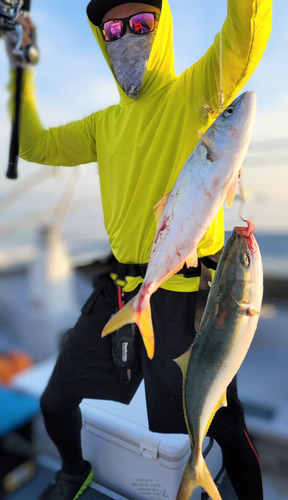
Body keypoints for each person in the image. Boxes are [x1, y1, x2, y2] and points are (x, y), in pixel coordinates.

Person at [6, 1, 273, 499]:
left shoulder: (198, 91)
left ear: (163, 26)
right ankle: (71, 470)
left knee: (222, 424)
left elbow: (247, 30)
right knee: (56, 400)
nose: (126, 34)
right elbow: (34, 145)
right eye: (112, 27)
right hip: (123, 289)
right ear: (100, 39)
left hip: (193, 292)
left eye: (142, 22)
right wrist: (20, 71)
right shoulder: (103, 124)